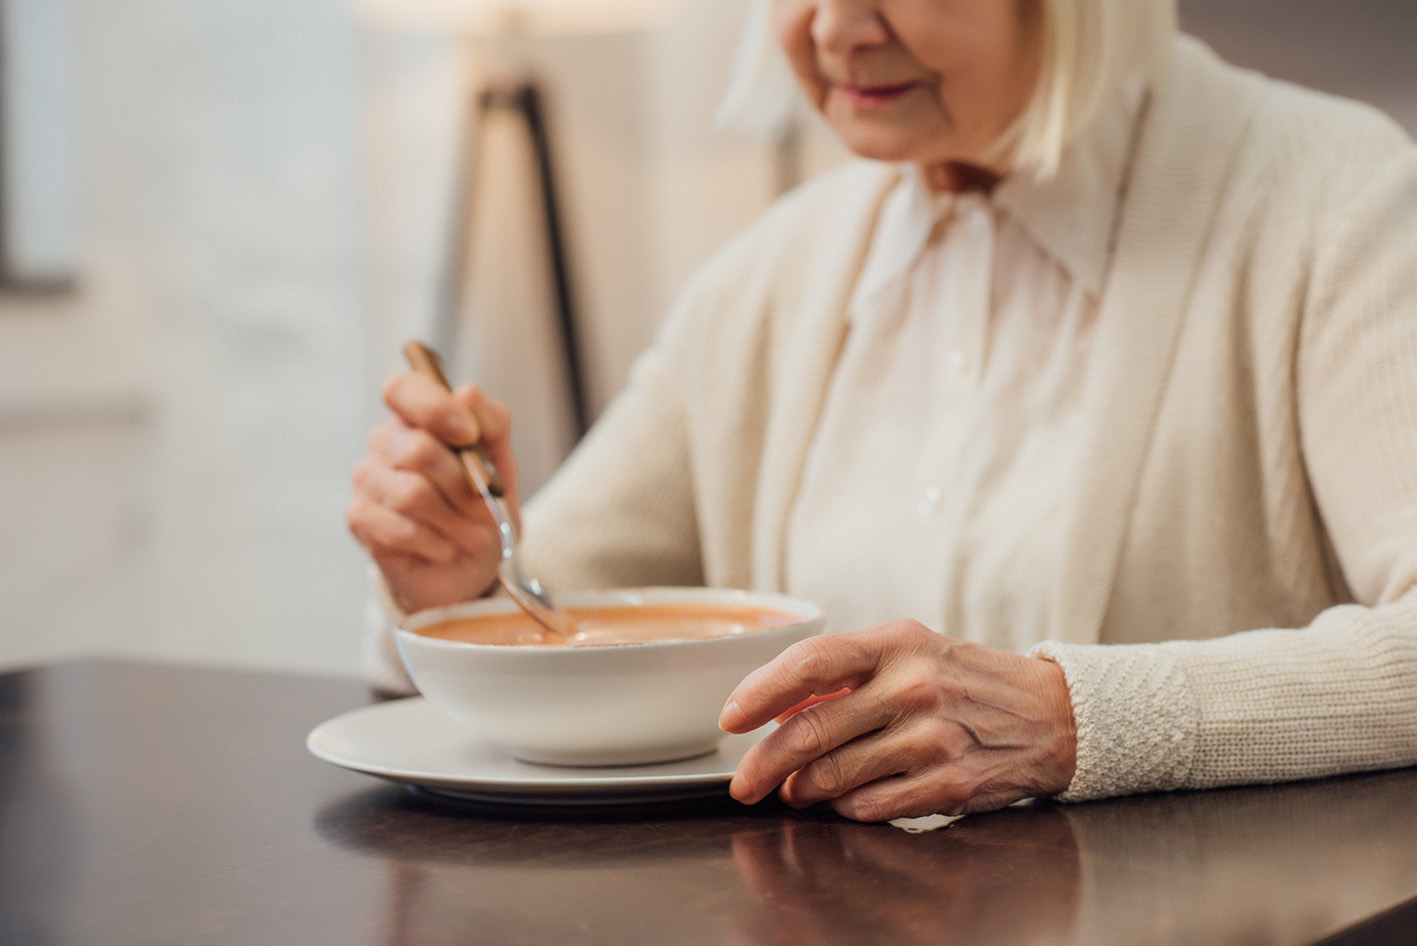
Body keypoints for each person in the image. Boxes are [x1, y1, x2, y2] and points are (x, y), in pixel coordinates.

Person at [346, 0, 1417, 822]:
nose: (835, 29)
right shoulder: (775, 274)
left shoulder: (1332, 200)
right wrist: (452, 587)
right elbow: (546, 614)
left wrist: (1074, 717)